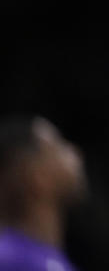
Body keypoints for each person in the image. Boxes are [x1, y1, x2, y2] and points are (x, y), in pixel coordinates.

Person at [0, 116, 87, 271]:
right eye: (60, 146)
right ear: (38, 177)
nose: (76, 152)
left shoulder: (52, 261)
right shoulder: (8, 260)